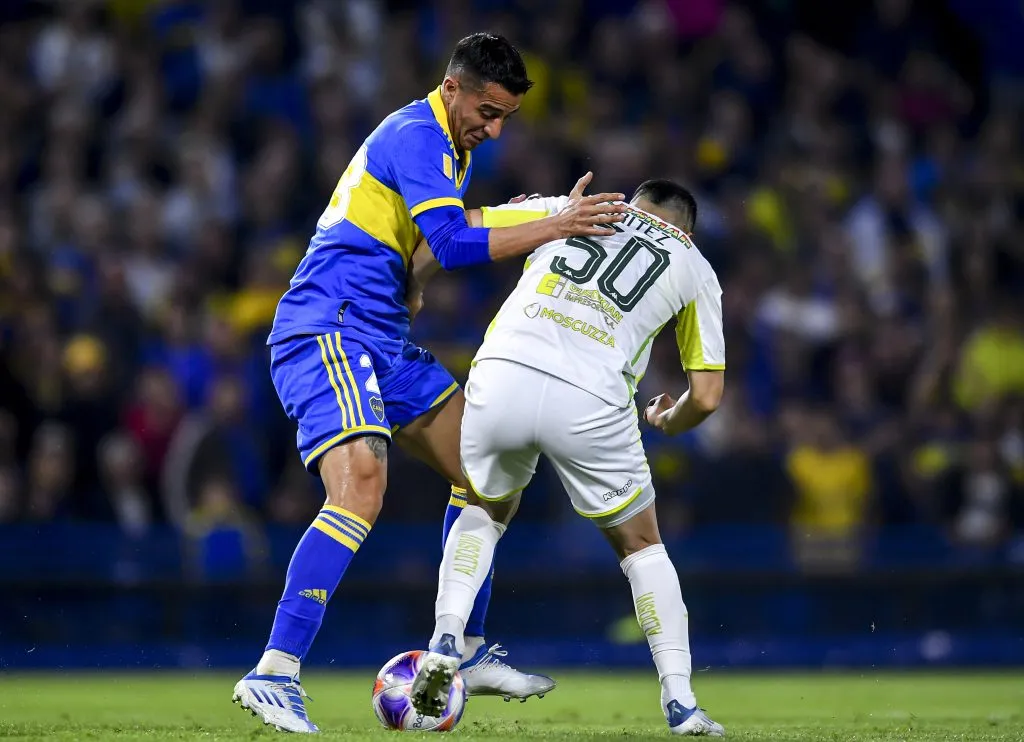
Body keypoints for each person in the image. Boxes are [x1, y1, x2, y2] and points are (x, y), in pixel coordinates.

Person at [231, 32, 626, 733]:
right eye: (488, 111)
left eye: (506, 117)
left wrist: (543, 216)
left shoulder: (453, 148)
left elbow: (425, 248)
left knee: (488, 472)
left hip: (380, 334)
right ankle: (274, 671)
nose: (495, 129)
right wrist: (553, 224)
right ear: (452, 89)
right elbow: (451, 242)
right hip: (330, 324)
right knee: (361, 485)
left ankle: (464, 649)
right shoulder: (416, 134)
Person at [407, 180, 728, 736]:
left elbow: (455, 229)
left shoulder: (570, 208)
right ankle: (680, 701)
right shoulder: (694, 264)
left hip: (505, 367)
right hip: (590, 394)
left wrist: (415, 283)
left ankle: (446, 638)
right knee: (642, 545)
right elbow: (706, 397)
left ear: (632, 203)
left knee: (481, 507)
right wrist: (666, 421)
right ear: (687, 231)